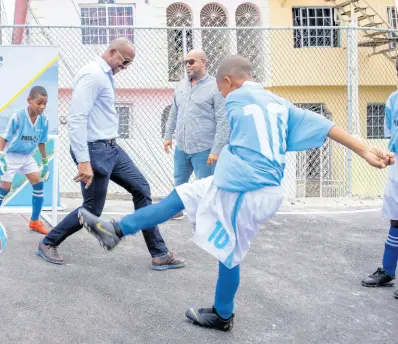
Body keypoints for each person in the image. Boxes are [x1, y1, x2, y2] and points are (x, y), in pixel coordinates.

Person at [78, 56, 394, 331]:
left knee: (229, 252)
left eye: (221, 88)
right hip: (239, 181)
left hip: (248, 187)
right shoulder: (279, 103)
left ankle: (222, 314)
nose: (222, 95)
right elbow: (326, 126)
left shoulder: (236, 98)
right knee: (181, 196)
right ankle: (115, 230)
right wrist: (365, 149)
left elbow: (233, 122)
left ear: (228, 82)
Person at [36, 38, 185, 270]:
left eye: (127, 65)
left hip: (112, 149)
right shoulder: (93, 74)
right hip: (94, 151)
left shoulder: (105, 75)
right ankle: (48, 242)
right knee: (92, 209)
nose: (123, 68)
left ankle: (159, 253)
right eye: (123, 62)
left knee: (141, 189)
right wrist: (83, 161)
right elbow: (76, 118)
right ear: (112, 52)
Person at [163, 49, 229, 220]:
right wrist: (168, 136)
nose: (187, 65)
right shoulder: (180, 85)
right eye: (185, 62)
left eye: (191, 61)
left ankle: (211, 216)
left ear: (204, 62)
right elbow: (174, 112)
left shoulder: (216, 87)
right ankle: (176, 210)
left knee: (206, 184)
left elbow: (223, 121)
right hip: (182, 147)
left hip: (204, 149)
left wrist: (216, 150)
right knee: (179, 180)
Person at [361, 59, 398, 300]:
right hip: (397, 165)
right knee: (395, 219)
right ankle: (387, 270)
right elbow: (391, 136)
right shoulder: (392, 99)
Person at [0, 86, 50, 234]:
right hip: (11, 155)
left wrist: (45, 162)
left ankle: (34, 221)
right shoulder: (18, 116)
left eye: (45, 104)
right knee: (4, 188)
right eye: (39, 103)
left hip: (27, 156)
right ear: (29, 100)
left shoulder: (44, 120)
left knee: (38, 183)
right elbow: (3, 137)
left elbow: (41, 141)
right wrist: (1, 156)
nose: (42, 107)